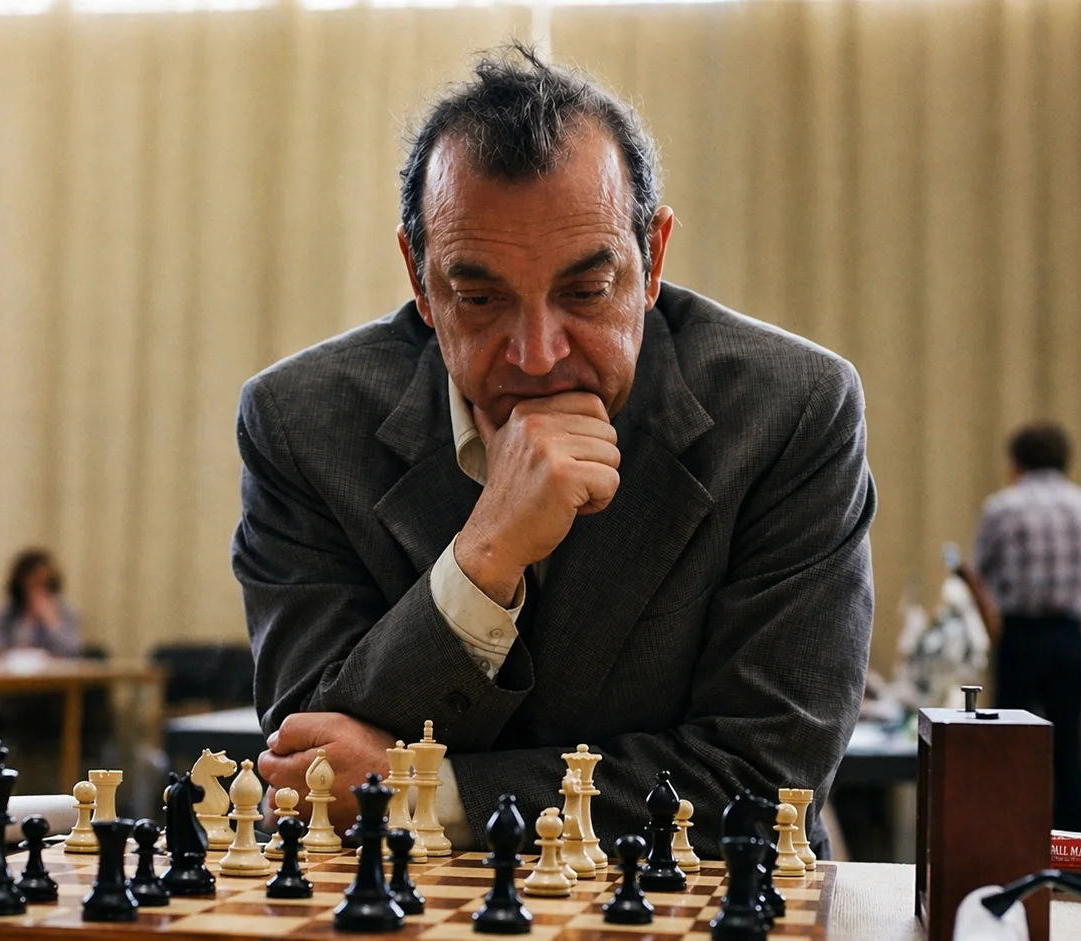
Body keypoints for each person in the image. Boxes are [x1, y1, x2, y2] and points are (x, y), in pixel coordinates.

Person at [237, 46, 875, 854]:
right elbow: (311, 767)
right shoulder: (300, 422)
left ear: (654, 259)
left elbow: (766, 778)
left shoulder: (790, 410)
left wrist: (423, 795)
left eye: (584, 292)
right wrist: (482, 558)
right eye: (479, 298)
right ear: (419, 278)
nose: (537, 354)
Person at [963, 422, 1081, 832]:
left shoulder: (1004, 507)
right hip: (1070, 635)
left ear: (1015, 464)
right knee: (1069, 745)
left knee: (1012, 744)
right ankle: (1075, 847)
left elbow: (979, 576)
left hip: (1021, 635)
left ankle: (1013, 837)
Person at [0, 549, 84, 658]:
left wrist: (52, 622)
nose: (37, 589)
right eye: (33, 582)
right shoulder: (6, 612)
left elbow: (74, 650)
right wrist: (26, 625)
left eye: (44, 583)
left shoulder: (65, 611)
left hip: (54, 672)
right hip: (13, 672)